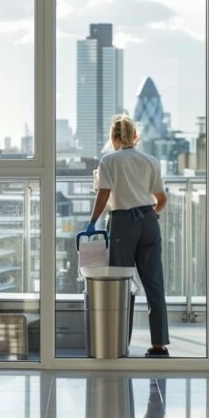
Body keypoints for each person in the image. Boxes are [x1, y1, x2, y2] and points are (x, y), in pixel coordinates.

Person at [86, 114, 170, 357]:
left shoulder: (109, 161)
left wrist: (92, 222)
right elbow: (161, 199)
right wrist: (152, 214)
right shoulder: (151, 160)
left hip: (123, 224)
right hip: (149, 222)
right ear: (135, 135)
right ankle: (159, 345)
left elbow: (103, 195)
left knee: (120, 284)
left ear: (114, 137)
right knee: (154, 284)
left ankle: (119, 342)